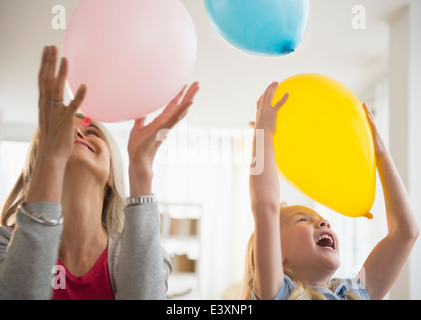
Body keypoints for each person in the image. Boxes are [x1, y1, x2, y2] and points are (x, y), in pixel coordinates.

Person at [0, 45, 200, 299]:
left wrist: (140, 169)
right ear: (38, 165)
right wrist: (51, 158)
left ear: (110, 176)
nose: (79, 133)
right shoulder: (6, 243)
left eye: (91, 132)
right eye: (61, 132)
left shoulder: (138, 250)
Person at [241, 82, 419, 300]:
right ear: (277, 253)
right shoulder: (279, 294)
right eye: (302, 220)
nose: (324, 222)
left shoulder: (353, 294)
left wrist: (381, 155)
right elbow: (264, 205)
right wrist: (263, 133)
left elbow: (405, 232)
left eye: (321, 220)